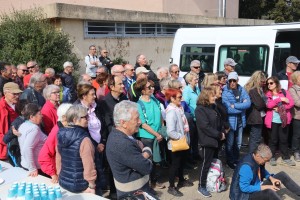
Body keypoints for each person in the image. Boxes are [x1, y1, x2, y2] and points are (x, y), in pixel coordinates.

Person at [106, 100, 155, 199]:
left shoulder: (121, 136)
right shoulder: (122, 143)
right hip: (134, 195)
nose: (140, 121)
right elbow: (147, 167)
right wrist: (146, 152)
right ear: (123, 123)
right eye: (136, 119)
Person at [230, 143, 300, 200]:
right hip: (242, 196)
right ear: (258, 156)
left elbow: (262, 170)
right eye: (266, 160)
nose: (266, 162)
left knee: (282, 175)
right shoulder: (246, 167)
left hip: (256, 184)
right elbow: (244, 188)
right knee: (269, 193)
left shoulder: (256, 158)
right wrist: (266, 187)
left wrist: (271, 178)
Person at [56, 104, 97, 193]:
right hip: (81, 185)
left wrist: (60, 175)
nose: (88, 119)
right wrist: (91, 185)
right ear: (75, 120)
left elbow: (58, 158)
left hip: (63, 181)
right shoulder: (84, 139)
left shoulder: (60, 134)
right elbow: (89, 165)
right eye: (85, 117)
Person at [195, 87, 226, 198]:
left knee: (213, 163)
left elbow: (219, 121)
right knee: (206, 164)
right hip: (207, 141)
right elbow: (205, 127)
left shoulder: (213, 107)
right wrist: (219, 134)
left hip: (216, 140)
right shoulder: (200, 109)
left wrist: (222, 131)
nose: (215, 97)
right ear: (206, 97)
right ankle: (201, 186)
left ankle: (211, 182)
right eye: (212, 96)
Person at [165, 88, 193, 197]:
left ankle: (181, 180)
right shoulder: (172, 111)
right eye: (179, 97)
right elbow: (170, 131)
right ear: (172, 98)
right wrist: (181, 137)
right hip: (177, 143)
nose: (181, 99)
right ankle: (171, 186)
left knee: (182, 162)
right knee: (175, 165)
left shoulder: (179, 108)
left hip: (183, 141)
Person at [136, 80, 164, 189]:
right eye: (149, 87)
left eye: (152, 87)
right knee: (149, 161)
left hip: (158, 135)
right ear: (143, 91)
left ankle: (155, 180)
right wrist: (156, 134)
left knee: (157, 160)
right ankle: (148, 184)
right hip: (147, 137)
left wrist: (161, 129)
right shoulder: (139, 105)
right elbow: (143, 124)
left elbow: (160, 115)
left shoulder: (154, 100)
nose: (152, 89)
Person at [222, 72, 251, 169]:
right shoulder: (225, 92)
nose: (232, 83)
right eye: (230, 81)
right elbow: (228, 109)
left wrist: (235, 105)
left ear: (237, 80)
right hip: (230, 121)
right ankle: (230, 160)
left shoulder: (241, 89)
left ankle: (236, 159)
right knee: (230, 143)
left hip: (240, 120)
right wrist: (242, 106)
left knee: (238, 142)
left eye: (234, 80)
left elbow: (248, 104)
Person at [38, 103, 72, 183]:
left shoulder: (66, 128)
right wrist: (53, 173)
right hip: (61, 173)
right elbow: (43, 156)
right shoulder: (57, 131)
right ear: (64, 117)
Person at [265, 76, 295, 166]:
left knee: (284, 139)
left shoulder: (284, 92)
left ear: (276, 83)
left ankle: (285, 157)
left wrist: (281, 109)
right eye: (268, 83)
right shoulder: (268, 94)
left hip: (283, 120)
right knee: (273, 140)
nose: (269, 85)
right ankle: (272, 157)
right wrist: (280, 99)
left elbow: (291, 103)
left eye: (271, 83)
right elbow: (268, 105)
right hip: (272, 121)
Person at [18, 103, 47, 177]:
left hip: (26, 164)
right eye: (39, 114)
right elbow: (27, 149)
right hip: (36, 168)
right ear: (31, 117)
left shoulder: (23, 125)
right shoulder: (34, 129)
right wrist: (33, 168)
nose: (42, 116)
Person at [244, 71, 267, 153]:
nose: (263, 83)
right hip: (255, 117)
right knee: (255, 138)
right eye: (262, 81)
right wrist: (266, 103)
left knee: (256, 137)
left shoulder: (258, 89)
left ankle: (252, 154)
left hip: (257, 116)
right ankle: (251, 155)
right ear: (257, 80)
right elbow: (259, 104)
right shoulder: (253, 90)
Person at [0, 82, 23, 160]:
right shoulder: (1, 108)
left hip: (17, 146)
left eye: (18, 94)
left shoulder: (19, 105)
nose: (17, 96)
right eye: (14, 94)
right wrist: (5, 140)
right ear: (5, 93)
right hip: (4, 150)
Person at [289, 71, 300, 162]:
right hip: (297, 116)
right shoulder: (292, 89)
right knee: (297, 135)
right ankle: (296, 151)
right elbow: (296, 102)